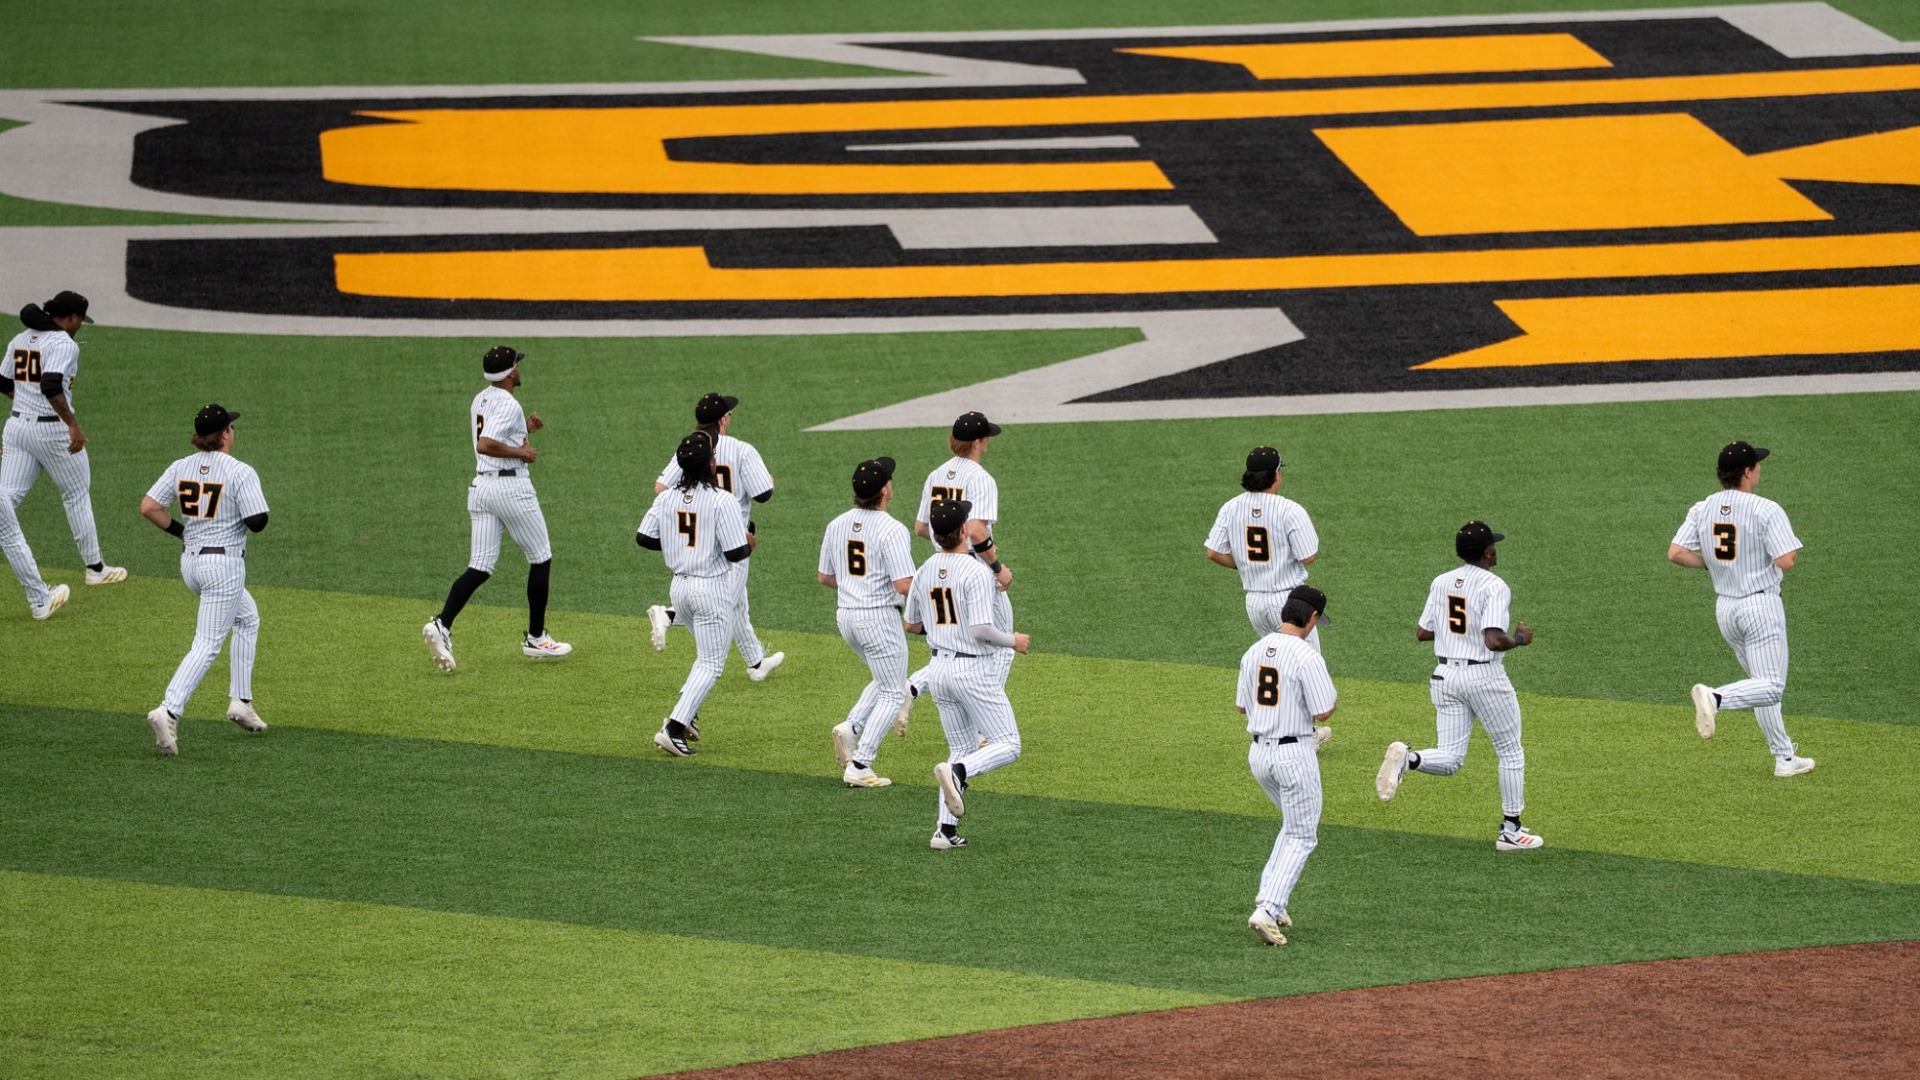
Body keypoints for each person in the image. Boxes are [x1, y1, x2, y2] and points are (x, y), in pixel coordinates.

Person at [1376, 521, 1542, 852]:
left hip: (1444, 677)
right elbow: (1494, 641)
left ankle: (1409, 759)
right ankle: (1511, 830)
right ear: (1487, 553)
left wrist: (1457, 636)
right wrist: (1520, 640)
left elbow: (1423, 632)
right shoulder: (1495, 586)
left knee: (1451, 758)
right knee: (1510, 751)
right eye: (1493, 547)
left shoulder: (1441, 582)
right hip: (1484, 678)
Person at [1668, 442, 1813, 777]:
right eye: (1757, 465)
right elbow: (1786, 561)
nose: (1760, 468)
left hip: (1726, 608)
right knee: (1771, 685)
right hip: (1760, 606)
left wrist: (1713, 565)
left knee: (1759, 685)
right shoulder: (1766, 509)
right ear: (1747, 472)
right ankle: (1715, 697)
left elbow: (1676, 553)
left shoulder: (1703, 507)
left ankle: (1784, 757)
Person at [422, 345, 570, 672]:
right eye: (516, 365)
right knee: (541, 556)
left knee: (480, 566)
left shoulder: (482, 398)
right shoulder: (508, 401)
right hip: (510, 488)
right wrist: (523, 453)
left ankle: (442, 624)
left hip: (481, 488)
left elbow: (491, 435)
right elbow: (485, 443)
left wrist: (523, 430)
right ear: (509, 374)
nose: (519, 368)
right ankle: (536, 638)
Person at [137, 404, 270, 756]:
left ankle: (241, 700)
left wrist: (185, 531)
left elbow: (149, 506)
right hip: (223, 568)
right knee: (207, 643)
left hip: (192, 565)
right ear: (225, 434)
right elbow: (258, 521)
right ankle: (168, 709)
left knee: (247, 617)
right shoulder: (239, 471)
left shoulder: (181, 466)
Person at [903, 498, 1029, 850]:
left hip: (938, 669)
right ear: (962, 531)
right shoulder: (976, 571)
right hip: (971, 669)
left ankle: (944, 830)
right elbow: (980, 630)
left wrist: (942, 630)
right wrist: (1012, 641)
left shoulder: (925, 567)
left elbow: (911, 625)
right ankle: (959, 774)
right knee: (1008, 744)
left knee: (961, 746)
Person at [1, 290, 126, 620]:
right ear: (71, 318)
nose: (79, 327)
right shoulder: (63, 344)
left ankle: (55, 584)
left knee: (5, 501)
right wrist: (72, 425)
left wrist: (24, 400)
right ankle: (95, 568)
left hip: (16, 429)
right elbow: (51, 385)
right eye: (80, 321)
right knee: (76, 494)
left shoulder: (21, 338)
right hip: (53, 431)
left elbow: (2, 380)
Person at [647, 392, 782, 681]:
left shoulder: (691, 447)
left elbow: (661, 488)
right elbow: (763, 494)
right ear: (722, 419)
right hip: (732, 540)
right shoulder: (741, 450)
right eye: (729, 414)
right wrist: (768, 481)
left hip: (699, 536)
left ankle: (756, 662)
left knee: (738, 601)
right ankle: (669, 615)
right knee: (724, 601)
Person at [639, 431, 753, 756]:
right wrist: (749, 543)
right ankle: (673, 728)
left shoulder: (666, 498)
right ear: (711, 464)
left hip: (679, 588)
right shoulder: (722, 500)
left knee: (704, 657)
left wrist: (678, 544)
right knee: (711, 664)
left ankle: (688, 717)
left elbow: (644, 537)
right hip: (710, 588)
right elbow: (735, 553)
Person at [898, 411, 1012, 732]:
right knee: (1001, 644)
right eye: (986, 437)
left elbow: (922, 527)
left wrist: (945, 539)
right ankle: (984, 724)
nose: (988, 441)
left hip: (940, 565)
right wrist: (996, 567)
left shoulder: (936, 474)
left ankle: (915, 685)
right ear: (977, 442)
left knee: (955, 645)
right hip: (974, 569)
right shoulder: (981, 478)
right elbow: (976, 530)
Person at [1238, 584, 1337, 946]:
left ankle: (1269, 898)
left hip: (1259, 756)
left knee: (1293, 825)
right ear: (1311, 617)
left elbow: (1241, 707)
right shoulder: (1307, 655)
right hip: (1293, 755)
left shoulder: (1253, 652)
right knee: (1302, 833)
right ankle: (1267, 910)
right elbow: (1323, 709)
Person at [819, 457, 916, 788]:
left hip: (846, 617)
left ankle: (852, 728)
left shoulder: (836, 524)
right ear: (885, 490)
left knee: (886, 677)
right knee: (893, 691)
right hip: (878, 619)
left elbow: (825, 577)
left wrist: (855, 587)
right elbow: (904, 584)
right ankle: (861, 764)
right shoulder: (891, 529)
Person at [1206, 445, 1321, 643]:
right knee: (1305, 664)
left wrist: (1241, 563)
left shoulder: (1230, 507)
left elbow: (1213, 552)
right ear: (1276, 475)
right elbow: (1308, 557)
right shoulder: (1290, 510)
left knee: (1276, 661)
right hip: (1288, 602)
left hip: (1254, 604)